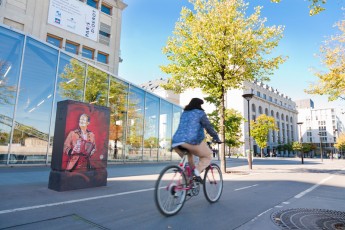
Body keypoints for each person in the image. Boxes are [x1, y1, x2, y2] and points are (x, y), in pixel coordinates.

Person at [171, 98, 221, 180]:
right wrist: (216, 137)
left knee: (189, 165)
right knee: (207, 156)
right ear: (199, 105)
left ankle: (183, 188)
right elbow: (208, 127)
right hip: (191, 141)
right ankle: (197, 172)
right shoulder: (200, 113)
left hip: (176, 142)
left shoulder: (184, 113)